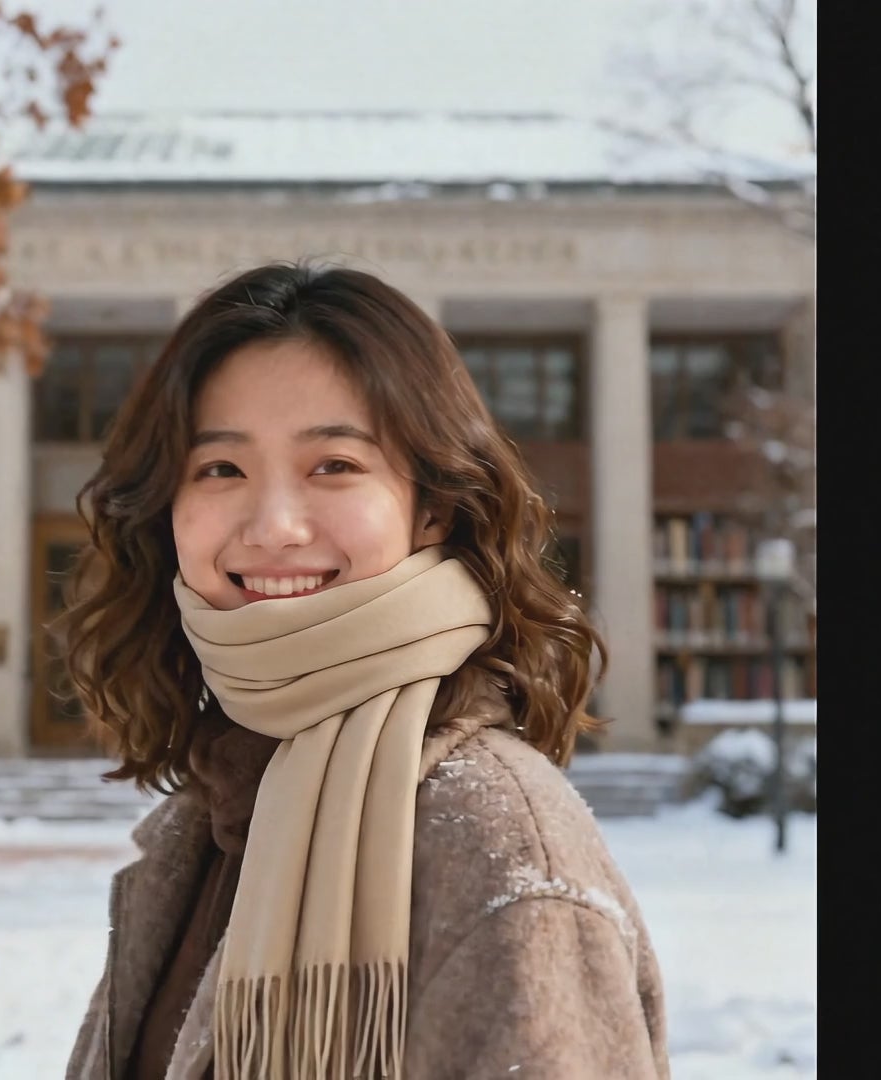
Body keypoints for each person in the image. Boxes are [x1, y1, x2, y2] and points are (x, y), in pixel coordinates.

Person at [59, 262, 668, 1080]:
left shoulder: (503, 849)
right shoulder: (212, 811)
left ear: (434, 505)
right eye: (221, 469)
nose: (274, 526)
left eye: (335, 465)